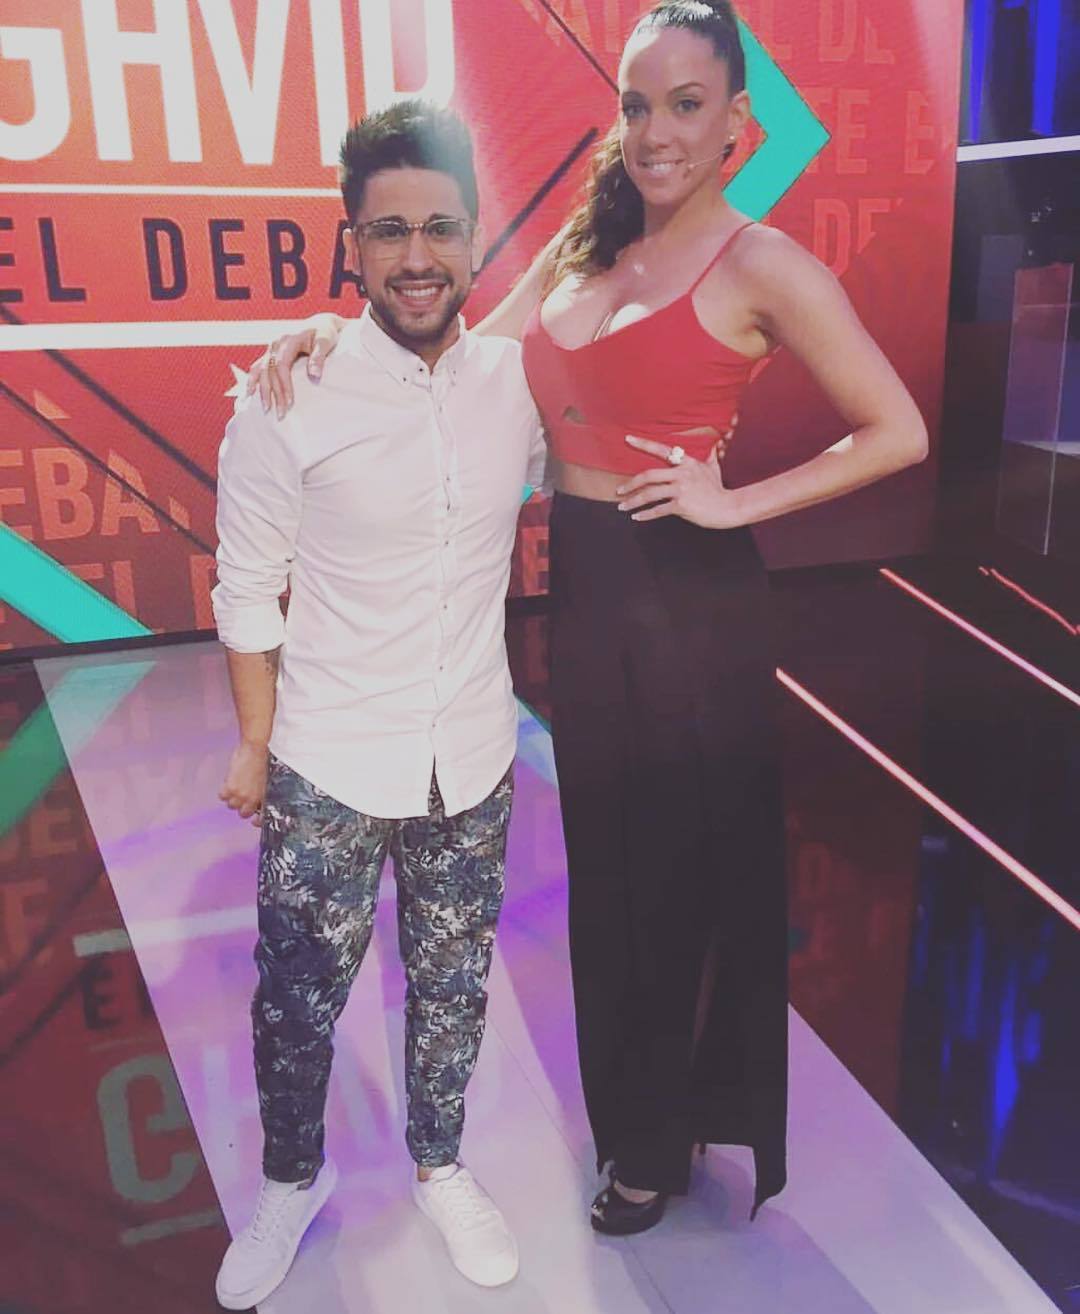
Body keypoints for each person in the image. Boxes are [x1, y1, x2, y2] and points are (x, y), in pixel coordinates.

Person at [247, 0, 927, 1238]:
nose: (657, 132)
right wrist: (334, 337)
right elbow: (463, 354)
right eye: (637, 105)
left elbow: (898, 430)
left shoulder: (764, 264)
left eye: (686, 105)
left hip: (691, 597)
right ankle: (643, 1120)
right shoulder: (585, 243)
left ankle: (656, 1144)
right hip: (590, 592)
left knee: (677, 880)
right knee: (610, 883)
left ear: (738, 122)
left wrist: (736, 502)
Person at [210, 100, 547, 1308]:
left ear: (474, 238)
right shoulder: (286, 397)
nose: (418, 257)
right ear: (349, 242)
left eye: (441, 229)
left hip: (474, 752)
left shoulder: (517, 382)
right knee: (297, 1003)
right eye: (390, 231)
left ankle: (440, 1167)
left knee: (453, 987)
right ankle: (290, 1183)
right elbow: (245, 590)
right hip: (330, 762)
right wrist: (256, 743)